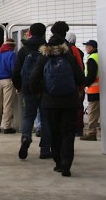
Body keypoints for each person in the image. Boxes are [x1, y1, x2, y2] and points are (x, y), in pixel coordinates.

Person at [30, 34, 85, 177]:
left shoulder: (44, 59)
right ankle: (67, 164)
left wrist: (40, 94)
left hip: (50, 103)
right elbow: (81, 78)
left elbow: (33, 79)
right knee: (68, 134)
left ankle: (58, 163)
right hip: (70, 102)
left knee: (55, 133)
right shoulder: (70, 58)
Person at [12, 23, 51, 160]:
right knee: (46, 118)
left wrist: (18, 86)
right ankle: (45, 150)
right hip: (45, 89)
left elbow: (16, 71)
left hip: (28, 88)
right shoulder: (47, 49)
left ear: (30, 33)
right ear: (43, 33)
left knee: (28, 116)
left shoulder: (24, 50)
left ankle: (26, 137)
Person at [0, 38, 17, 134]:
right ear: (12, 46)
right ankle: (6, 126)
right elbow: (14, 69)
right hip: (8, 81)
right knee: (7, 104)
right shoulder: (12, 54)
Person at [80, 39, 100, 141]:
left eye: (87, 46)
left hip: (94, 90)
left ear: (92, 47)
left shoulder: (92, 58)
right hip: (101, 89)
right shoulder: (99, 56)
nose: (85, 48)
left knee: (92, 112)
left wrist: (85, 83)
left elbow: (91, 75)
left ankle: (91, 133)